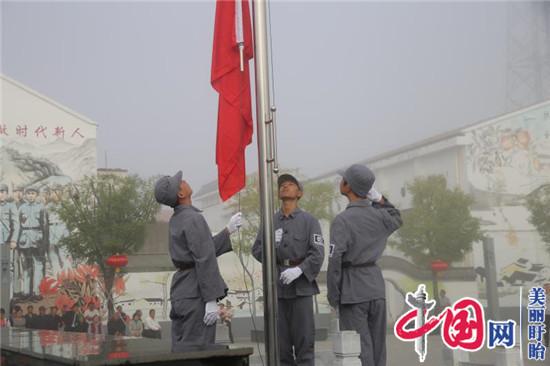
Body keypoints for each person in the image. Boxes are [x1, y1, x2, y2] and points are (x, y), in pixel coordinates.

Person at [154, 171, 241, 348]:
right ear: (181, 194)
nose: (185, 180)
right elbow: (204, 258)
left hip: (182, 291)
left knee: (182, 348)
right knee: (197, 349)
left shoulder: (177, 219)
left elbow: (201, 251)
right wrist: (210, 299)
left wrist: (227, 231)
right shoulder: (194, 218)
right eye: (181, 182)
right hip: (196, 293)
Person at [327, 164, 402, 366]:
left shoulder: (342, 221)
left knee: (359, 349)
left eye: (343, 180)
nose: (340, 182)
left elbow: (335, 261)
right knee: (378, 347)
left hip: (353, 290)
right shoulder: (380, 216)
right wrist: (380, 199)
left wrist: (333, 295)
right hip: (376, 287)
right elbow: (397, 218)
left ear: (348, 186)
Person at [252, 173, 325, 366]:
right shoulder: (270, 222)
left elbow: (317, 253)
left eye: (290, 184)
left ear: (299, 192)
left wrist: (300, 270)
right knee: (281, 347)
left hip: (301, 288)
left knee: (304, 345)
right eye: (282, 185)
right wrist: (272, 250)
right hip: (277, 287)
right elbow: (256, 250)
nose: (284, 186)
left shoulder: (310, 221)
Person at [17, 187, 48, 300]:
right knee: (26, 266)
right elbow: (17, 225)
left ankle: (36, 292)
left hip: (37, 238)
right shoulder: (21, 208)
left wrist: (44, 241)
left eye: (33, 193)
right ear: (25, 195)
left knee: (38, 265)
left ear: (37, 195)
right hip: (24, 238)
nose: (30, 196)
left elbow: (44, 225)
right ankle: (26, 292)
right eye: (28, 193)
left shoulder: (41, 208)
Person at [545, 283, 550, 347]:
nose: (546, 289)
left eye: (548, 287)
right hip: (545, 315)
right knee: (546, 329)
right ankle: (546, 342)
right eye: (545, 288)